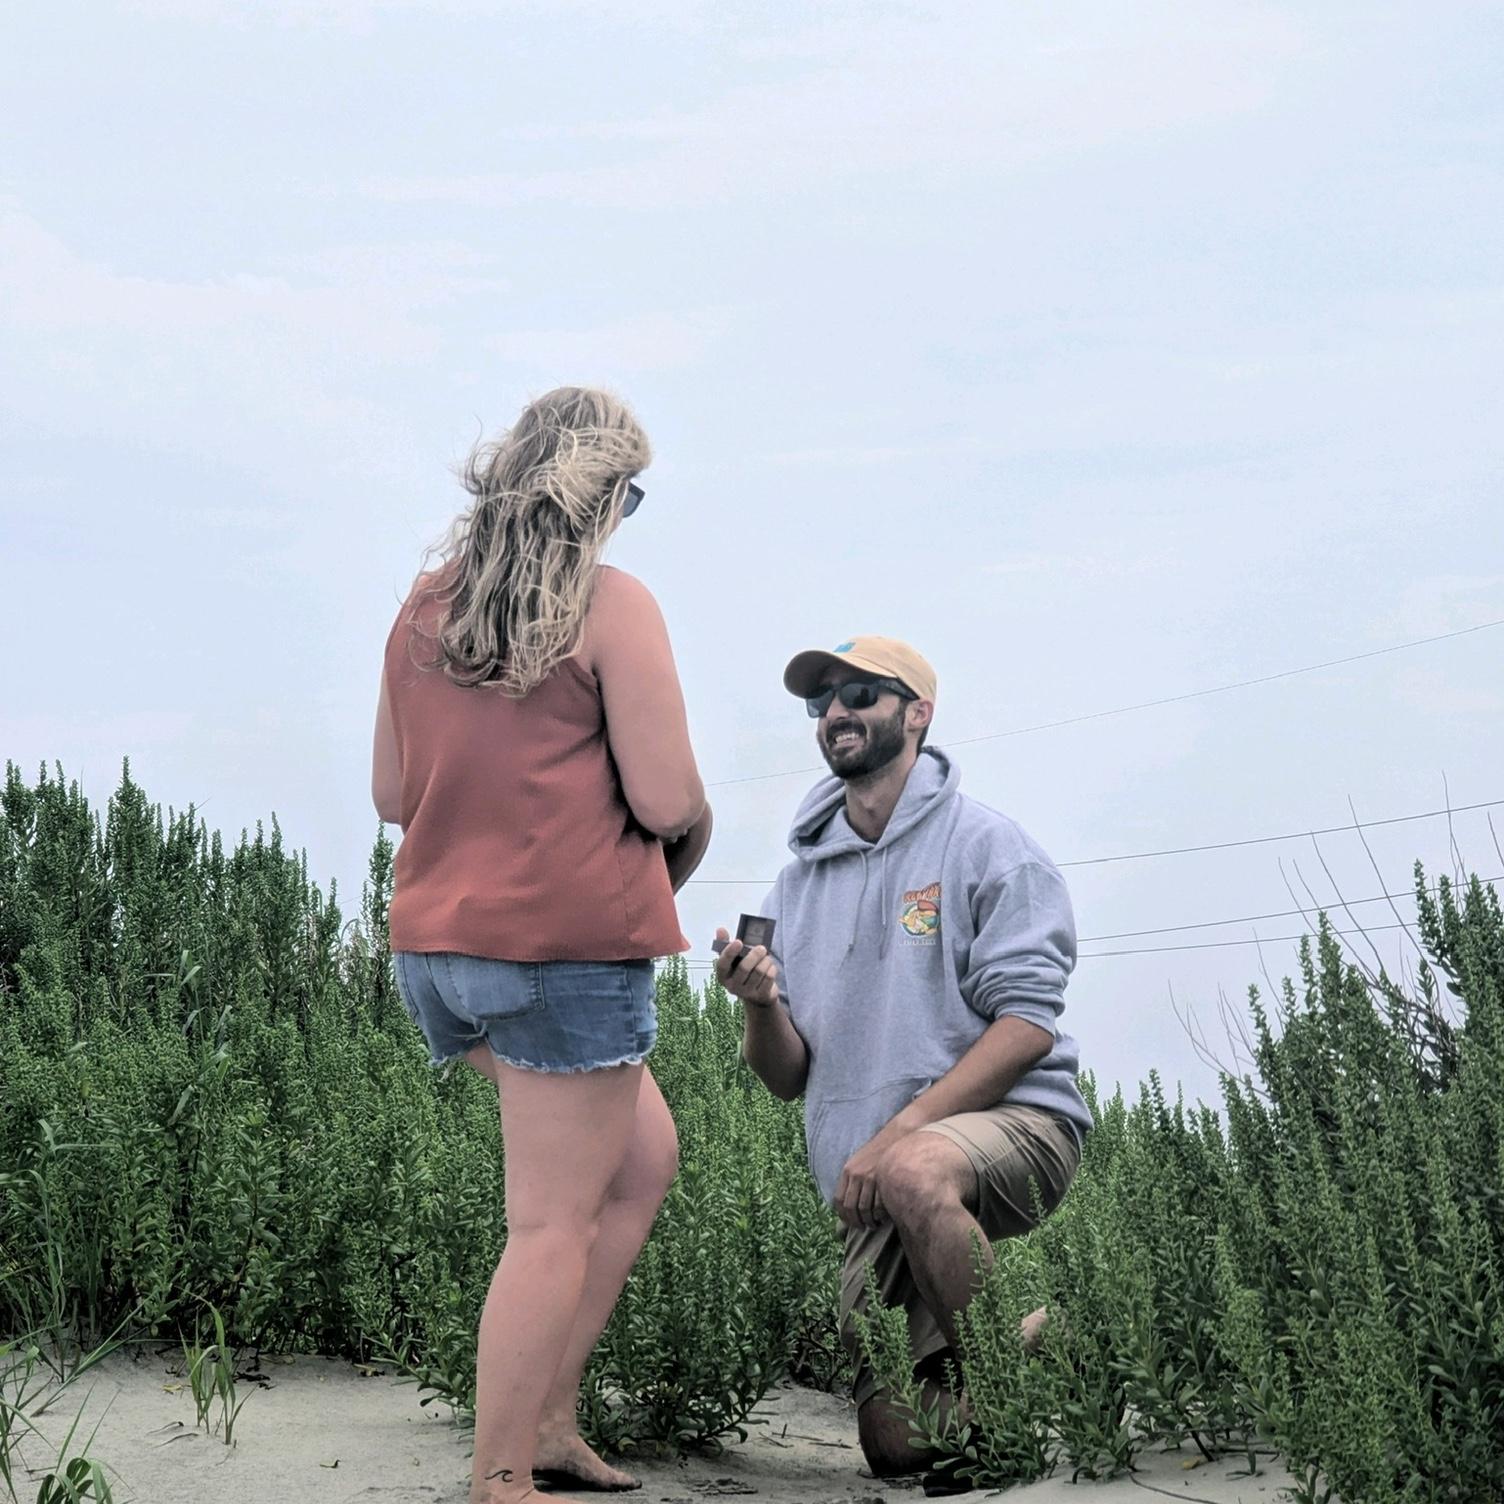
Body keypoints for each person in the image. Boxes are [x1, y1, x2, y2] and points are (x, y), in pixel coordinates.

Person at [371, 387, 710, 1504]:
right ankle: (500, 1478)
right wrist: (688, 833)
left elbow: (388, 793)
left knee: (641, 1156)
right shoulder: (610, 605)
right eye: (631, 491)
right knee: (550, 1222)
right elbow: (666, 800)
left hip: (439, 957)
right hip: (562, 961)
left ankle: (549, 1418)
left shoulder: (426, 605)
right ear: (602, 491)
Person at [715, 636, 1090, 1490]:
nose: (837, 712)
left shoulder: (992, 847)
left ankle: (1002, 1421)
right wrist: (760, 1002)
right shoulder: (794, 889)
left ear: (918, 714)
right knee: (897, 1446)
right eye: (822, 702)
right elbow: (785, 1077)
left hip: (1018, 1125)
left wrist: (897, 1138)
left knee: (919, 1171)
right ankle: (1049, 1338)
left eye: (860, 694)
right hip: (872, 1186)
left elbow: (1027, 1024)